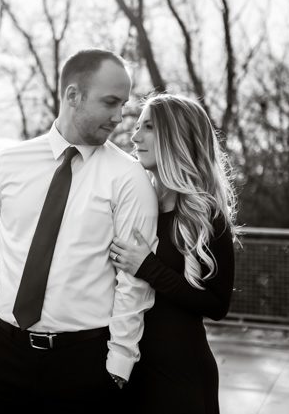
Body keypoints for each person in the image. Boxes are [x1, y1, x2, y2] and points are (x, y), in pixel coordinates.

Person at [0, 48, 158, 413]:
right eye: (110, 103)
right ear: (73, 95)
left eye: (123, 104)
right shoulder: (5, 165)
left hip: (84, 365)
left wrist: (118, 364)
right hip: (2, 356)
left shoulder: (129, 178)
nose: (120, 117)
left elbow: (134, 283)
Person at [109, 93, 238, 414]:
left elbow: (217, 305)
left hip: (180, 378)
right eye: (136, 126)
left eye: (149, 127)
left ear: (177, 137)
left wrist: (149, 268)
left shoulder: (205, 214)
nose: (135, 136)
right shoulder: (135, 205)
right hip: (129, 369)